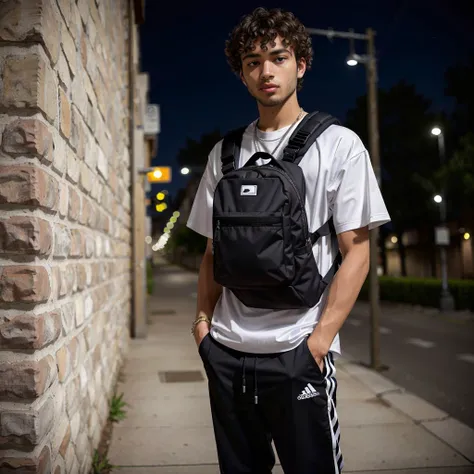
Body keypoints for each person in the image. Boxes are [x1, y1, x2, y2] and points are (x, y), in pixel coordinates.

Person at [187, 7, 390, 474]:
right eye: (253, 61)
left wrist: (318, 345)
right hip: (228, 353)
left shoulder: (339, 144)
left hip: (297, 352)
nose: (266, 71)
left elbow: (356, 251)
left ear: (301, 64)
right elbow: (212, 252)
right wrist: (203, 329)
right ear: (242, 74)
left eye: (278, 57)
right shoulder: (226, 153)